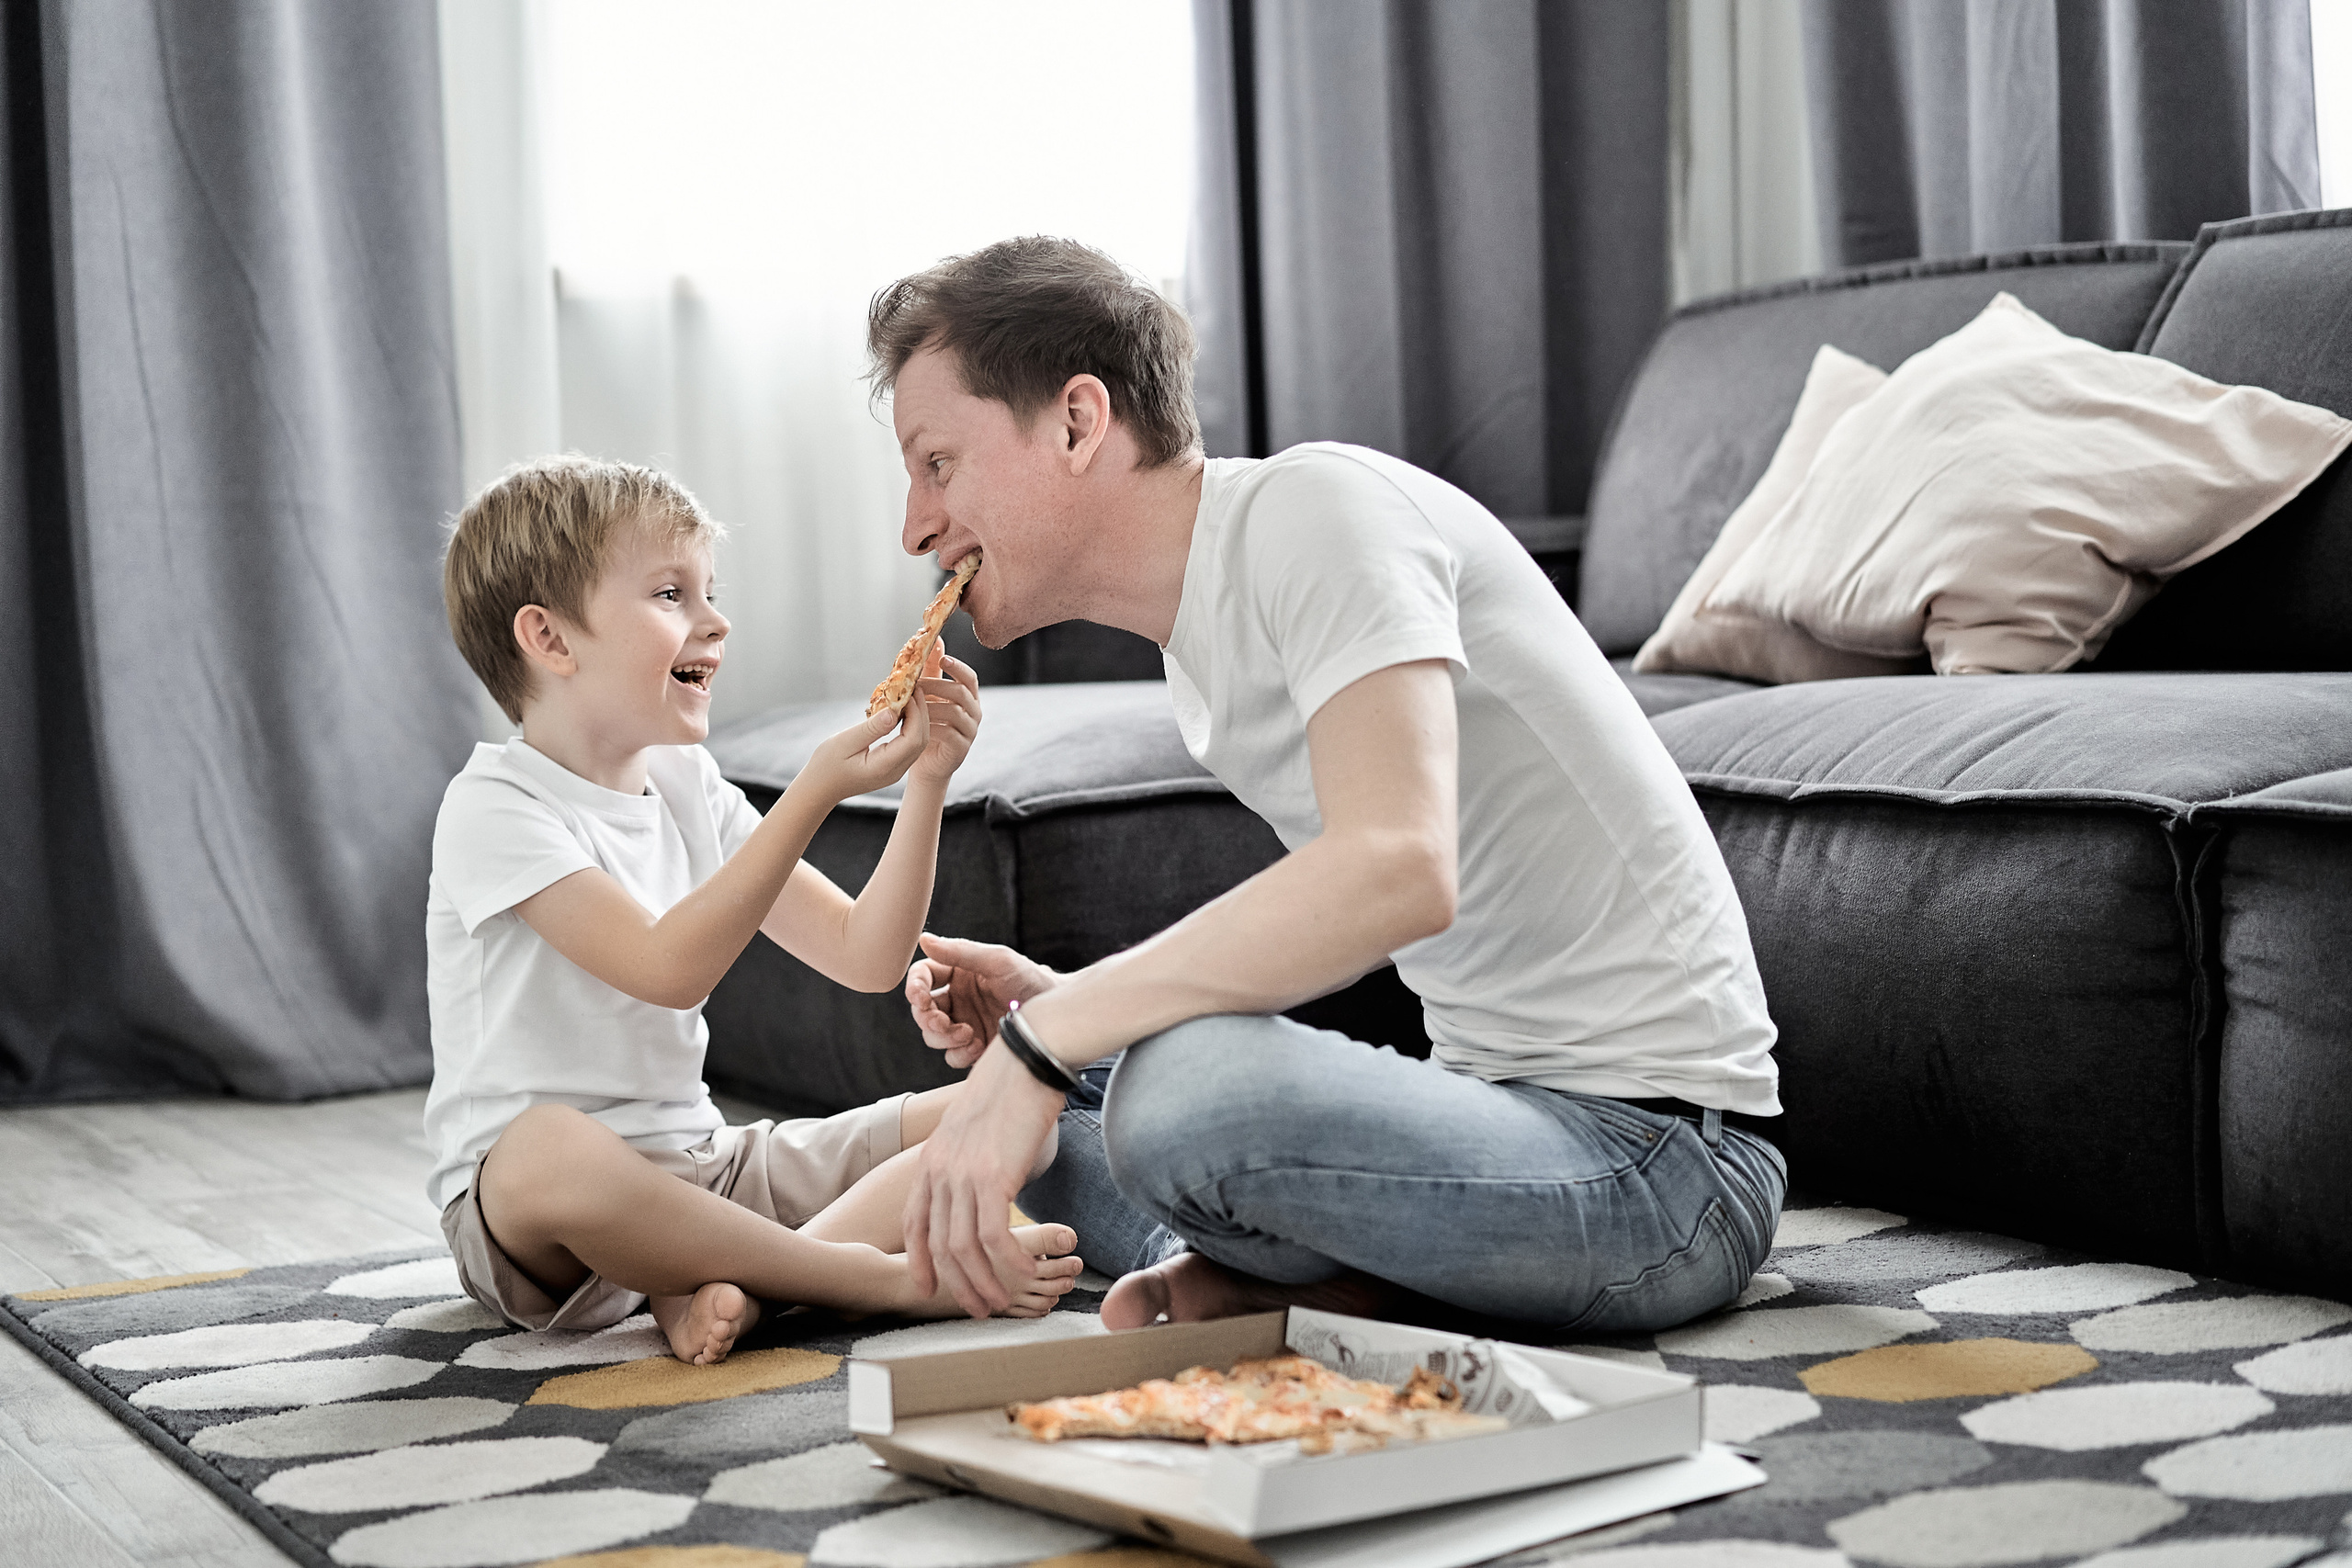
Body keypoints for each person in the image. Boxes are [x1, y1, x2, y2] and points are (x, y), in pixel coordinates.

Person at [873, 237, 1787, 1334]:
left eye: (938, 464)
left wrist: (1048, 1038)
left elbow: (1398, 869)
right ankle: (1278, 1280)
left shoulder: (1317, 513)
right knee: (1016, 1121)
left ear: (1077, 421)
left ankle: (1260, 1273)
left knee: (1174, 1097)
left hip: (1668, 1167)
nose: (917, 525)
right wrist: (1055, 1020)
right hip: (1496, 1119)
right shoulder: (1198, 653)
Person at [424, 455, 1080, 1366]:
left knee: (1014, 1108)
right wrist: (812, 791)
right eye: (670, 594)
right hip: (547, 1233)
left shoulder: (686, 783)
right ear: (551, 639)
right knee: (542, 1151)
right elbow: (666, 970)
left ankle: (757, 1291)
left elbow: (866, 956)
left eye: (708, 592)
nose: (716, 621)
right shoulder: (495, 805)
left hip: (708, 1171)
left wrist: (927, 781)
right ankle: (870, 1280)